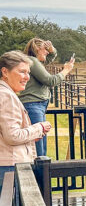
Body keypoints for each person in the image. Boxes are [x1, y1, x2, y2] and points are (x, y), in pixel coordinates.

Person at [0, 51, 51, 193]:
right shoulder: (6, 95)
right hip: (9, 167)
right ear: (5, 72)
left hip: (7, 164)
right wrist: (39, 128)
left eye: (28, 72)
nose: (27, 77)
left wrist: (31, 136)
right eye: (22, 72)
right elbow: (13, 136)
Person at [19, 38, 75, 156]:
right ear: (37, 49)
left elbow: (49, 57)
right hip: (33, 106)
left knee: (41, 144)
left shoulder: (34, 61)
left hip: (36, 106)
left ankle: (41, 173)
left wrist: (52, 49)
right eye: (45, 49)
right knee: (39, 148)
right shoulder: (32, 61)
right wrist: (66, 70)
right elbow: (50, 81)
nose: (47, 52)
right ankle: (39, 174)